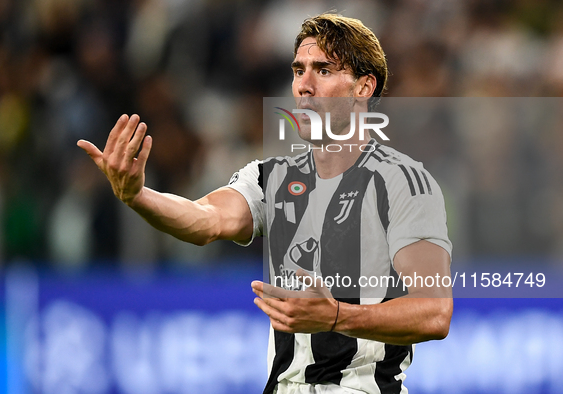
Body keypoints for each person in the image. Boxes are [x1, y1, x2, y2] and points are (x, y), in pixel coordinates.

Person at [78, 13, 452, 394]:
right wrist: (137, 196)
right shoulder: (270, 177)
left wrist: (339, 316)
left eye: (323, 71)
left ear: (363, 87)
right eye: (298, 70)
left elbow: (435, 313)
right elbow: (204, 220)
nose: (303, 86)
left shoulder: (402, 182)